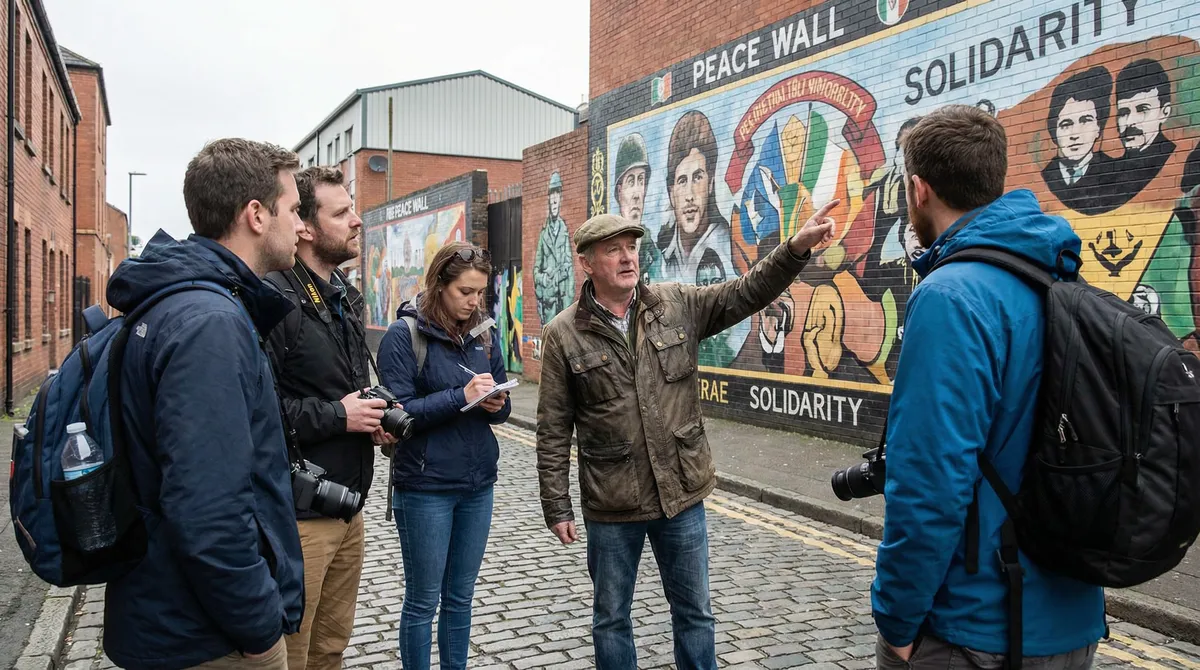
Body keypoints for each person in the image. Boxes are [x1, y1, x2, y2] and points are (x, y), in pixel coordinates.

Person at [536, 207, 837, 670]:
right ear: (586, 263)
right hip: (613, 503)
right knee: (611, 618)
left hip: (682, 493)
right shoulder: (563, 334)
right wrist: (557, 505)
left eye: (631, 247)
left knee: (695, 615)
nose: (627, 257)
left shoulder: (676, 303)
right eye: (612, 249)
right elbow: (554, 428)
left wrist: (795, 249)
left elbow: (745, 292)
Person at [872, 104, 1105, 669]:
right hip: (1072, 617)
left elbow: (930, 482)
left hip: (980, 628)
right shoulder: (1058, 272)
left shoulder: (952, 296)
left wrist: (898, 622)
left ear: (918, 190)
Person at [100, 138, 307, 670]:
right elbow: (207, 510)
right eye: (294, 210)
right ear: (256, 215)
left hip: (176, 620)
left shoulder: (187, 303)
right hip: (205, 639)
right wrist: (261, 629)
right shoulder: (209, 324)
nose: (301, 226)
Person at [262, 166, 398, 670]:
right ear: (305, 227)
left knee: (330, 649)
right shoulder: (274, 299)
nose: (357, 221)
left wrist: (370, 416)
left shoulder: (343, 294)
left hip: (349, 505)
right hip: (301, 515)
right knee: (292, 654)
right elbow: (259, 413)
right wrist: (339, 417)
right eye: (341, 213)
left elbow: (341, 393)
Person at [376, 241, 512, 670]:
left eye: (480, 293)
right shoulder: (405, 336)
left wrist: (495, 403)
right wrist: (459, 396)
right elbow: (395, 413)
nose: (474, 303)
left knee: (460, 597)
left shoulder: (484, 334)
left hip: (477, 486)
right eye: (464, 292)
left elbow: (504, 407)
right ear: (439, 285)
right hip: (425, 489)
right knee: (422, 601)